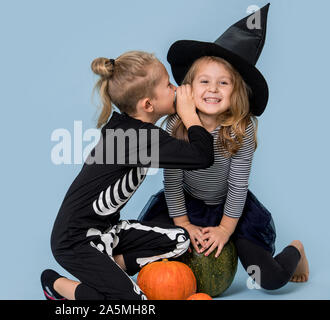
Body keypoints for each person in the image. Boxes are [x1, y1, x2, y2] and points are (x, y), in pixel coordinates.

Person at [139, 4, 309, 290]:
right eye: (204, 81)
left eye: (224, 83)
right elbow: (173, 181)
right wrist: (185, 225)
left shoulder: (242, 129)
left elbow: (237, 185)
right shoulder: (175, 126)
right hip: (186, 203)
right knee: (147, 248)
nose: (213, 89)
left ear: (237, 91)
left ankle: (297, 250)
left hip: (231, 207)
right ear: (188, 88)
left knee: (270, 278)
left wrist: (225, 229)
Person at [41, 50, 215, 300]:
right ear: (147, 104)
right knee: (133, 304)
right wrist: (189, 114)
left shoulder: (133, 130)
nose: (176, 89)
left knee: (180, 240)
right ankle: (53, 282)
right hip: (75, 242)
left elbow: (194, 155)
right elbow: (203, 156)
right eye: (168, 85)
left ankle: (110, 272)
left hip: (108, 232)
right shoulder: (136, 139)